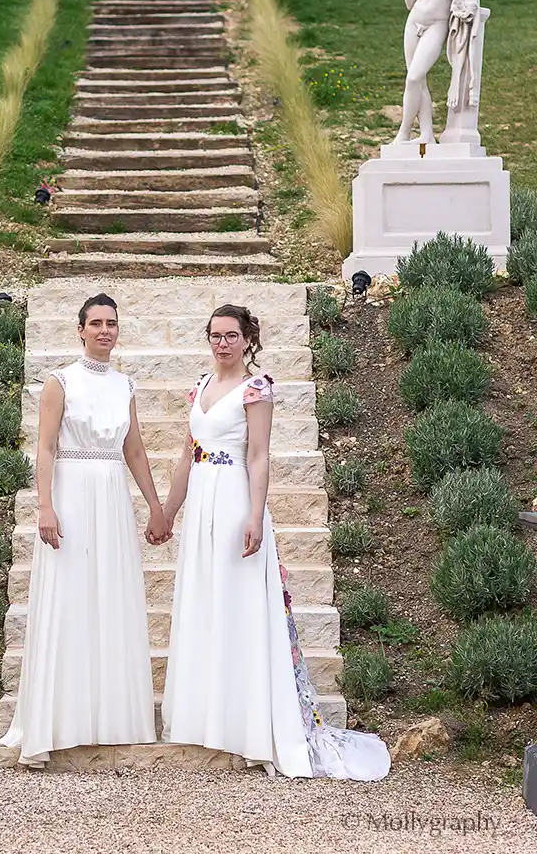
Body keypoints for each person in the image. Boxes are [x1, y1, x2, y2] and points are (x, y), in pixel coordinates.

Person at [160, 304, 391, 780]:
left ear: (248, 340)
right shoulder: (201, 387)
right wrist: (168, 510)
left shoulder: (256, 388)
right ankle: (208, 717)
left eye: (231, 335)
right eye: (215, 335)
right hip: (201, 502)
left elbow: (260, 456)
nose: (222, 343)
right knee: (206, 603)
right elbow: (187, 457)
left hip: (234, 503)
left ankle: (248, 723)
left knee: (239, 606)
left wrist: (254, 515)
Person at [0, 293, 170, 767]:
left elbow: (134, 451)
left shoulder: (125, 385)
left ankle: (110, 718)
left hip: (112, 496)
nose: (104, 330)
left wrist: (156, 507)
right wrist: (45, 507)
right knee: (69, 599)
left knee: (111, 599)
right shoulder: (60, 381)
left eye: (111, 323)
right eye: (95, 323)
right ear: (80, 330)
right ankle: (59, 721)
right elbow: (46, 449)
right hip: (71, 494)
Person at [394, 0, 480, 145]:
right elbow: (410, 2)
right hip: (414, 21)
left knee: (414, 78)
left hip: (437, 25)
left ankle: (403, 132)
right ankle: (426, 135)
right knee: (416, 80)